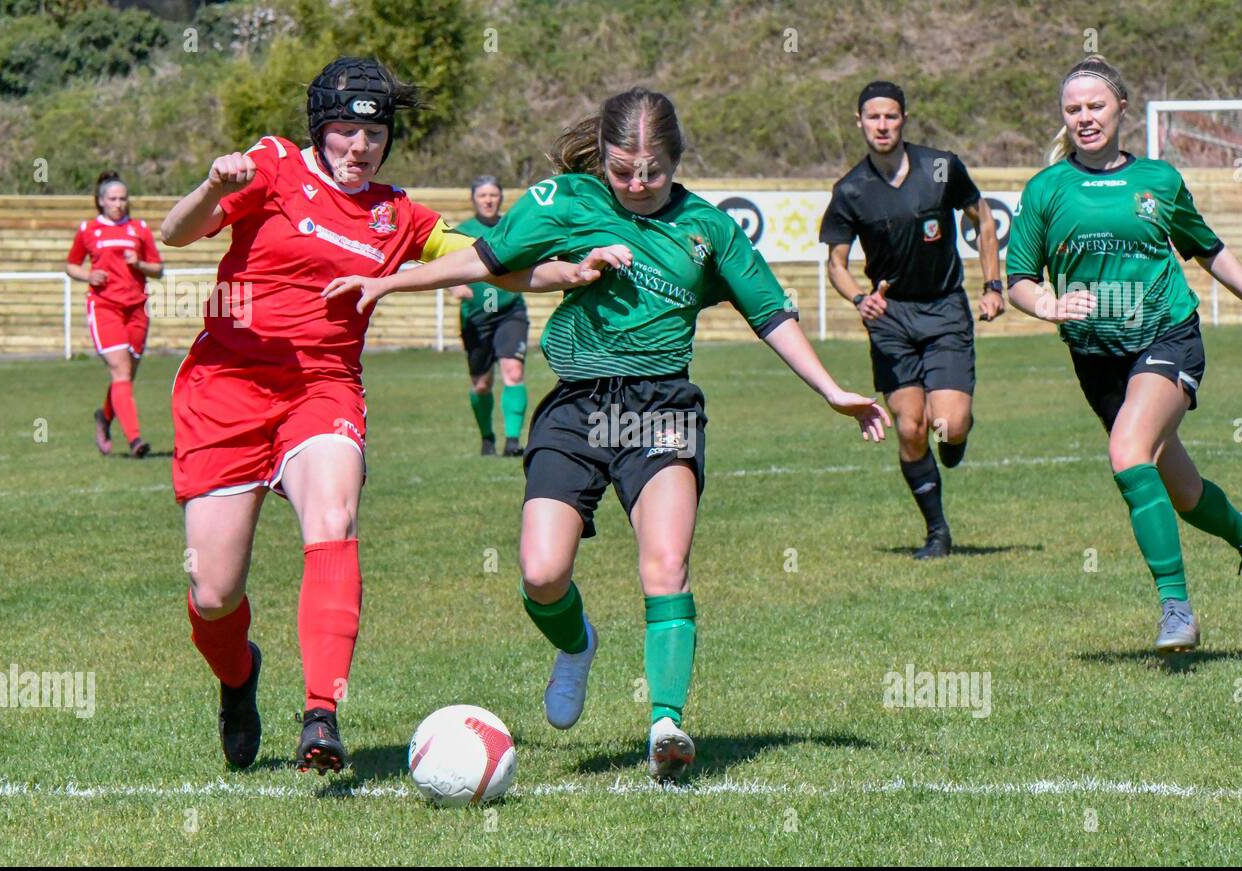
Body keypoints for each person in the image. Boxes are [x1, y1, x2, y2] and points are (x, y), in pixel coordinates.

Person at [324, 87, 891, 781]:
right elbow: (486, 259)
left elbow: (770, 313)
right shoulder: (565, 199)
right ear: (606, 158)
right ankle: (577, 644)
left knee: (665, 565)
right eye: (624, 170)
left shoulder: (708, 228)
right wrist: (387, 283)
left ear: (676, 161)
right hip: (577, 408)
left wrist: (832, 390)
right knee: (540, 572)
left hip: (662, 409)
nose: (638, 184)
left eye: (652, 170)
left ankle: (665, 724)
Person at [160, 56, 609, 774]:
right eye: (344, 131)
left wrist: (566, 270)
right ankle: (238, 678)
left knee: (333, 521)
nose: (359, 147)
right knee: (214, 595)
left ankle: (320, 715)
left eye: (373, 134)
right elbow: (177, 233)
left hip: (323, 389)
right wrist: (213, 184)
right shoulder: (272, 164)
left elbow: (492, 260)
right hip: (226, 390)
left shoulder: (397, 214)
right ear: (319, 129)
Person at [1006, 55, 1242, 651]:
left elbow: (1209, 249)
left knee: (1127, 450)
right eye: (1073, 108)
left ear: (1121, 109)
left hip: (1167, 334)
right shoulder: (1046, 188)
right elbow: (1019, 280)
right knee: (1180, 491)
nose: (1085, 117)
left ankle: (1176, 609)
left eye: (1096, 106)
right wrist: (1048, 306)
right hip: (1096, 357)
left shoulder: (1158, 181)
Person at [822, 81, 1004, 559]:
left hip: (944, 308)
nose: (882, 125)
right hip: (891, 318)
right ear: (859, 122)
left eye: (891, 116)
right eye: (873, 117)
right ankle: (937, 532)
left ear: (904, 119)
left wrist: (993, 284)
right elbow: (836, 264)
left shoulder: (941, 166)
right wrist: (860, 299)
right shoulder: (851, 190)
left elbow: (982, 219)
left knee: (950, 424)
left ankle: (958, 433)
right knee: (909, 426)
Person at [65, 170, 163, 457]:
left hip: (137, 309)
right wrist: (87, 275)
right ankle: (135, 440)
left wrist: (140, 264)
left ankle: (104, 417)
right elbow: (71, 265)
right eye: (113, 199)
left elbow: (158, 269)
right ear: (101, 201)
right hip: (104, 307)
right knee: (120, 370)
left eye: (123, 198)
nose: (119, 203)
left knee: (126, 375)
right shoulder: (88, 230)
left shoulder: (139, 229)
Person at [449, 176, 530, 456]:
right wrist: (455, 284)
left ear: (500, 198)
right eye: (482, 195)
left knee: (513, 371)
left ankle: (512, 442)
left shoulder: (512, 228)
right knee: (482, 384)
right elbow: (446, 266)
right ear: (474, 199)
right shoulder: (462, 233)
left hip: (510, 311)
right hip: (476, 317)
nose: (488, 200)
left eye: (493, 194)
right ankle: (487, 438)